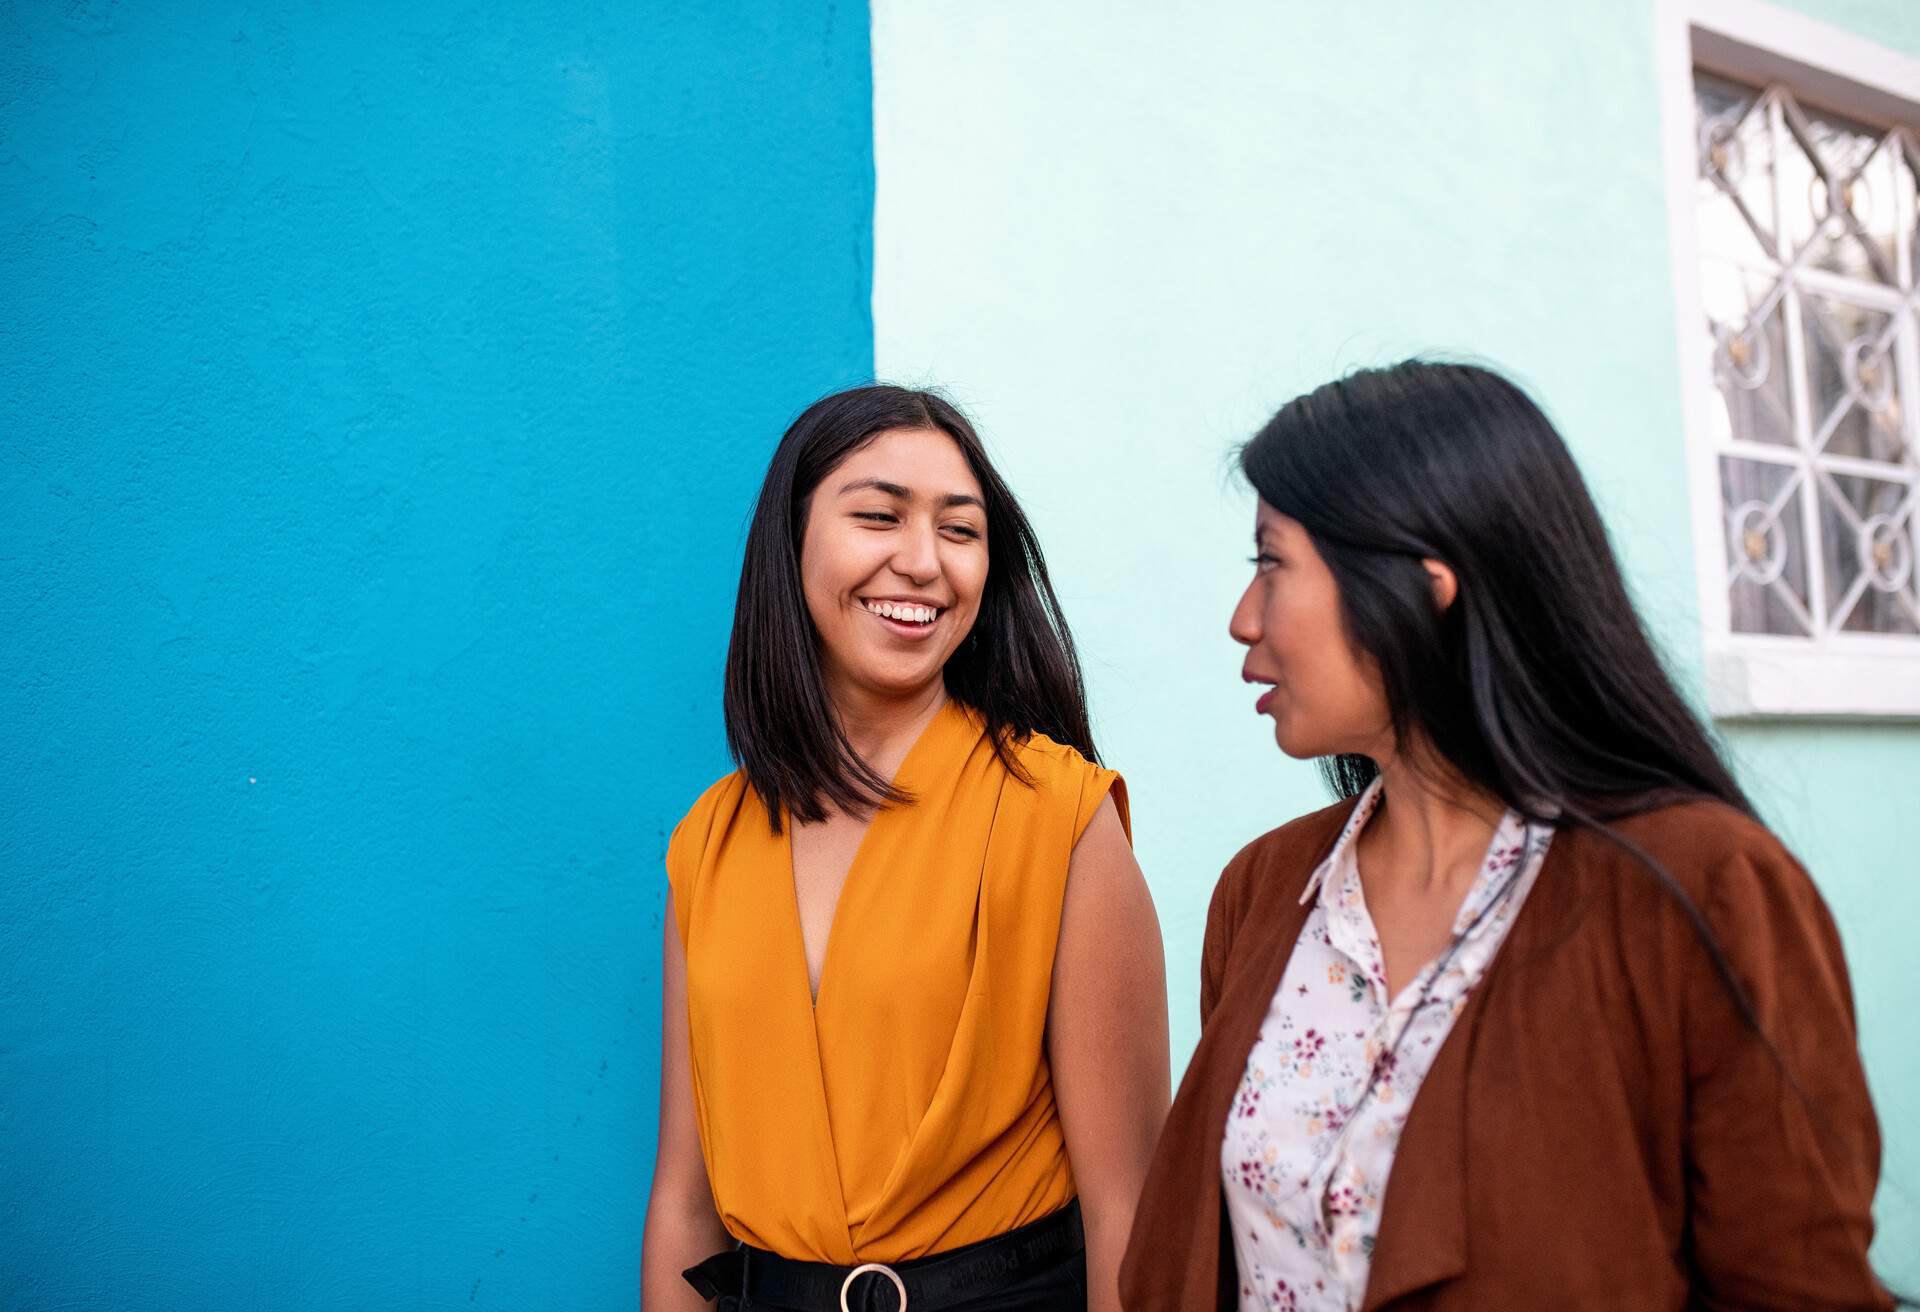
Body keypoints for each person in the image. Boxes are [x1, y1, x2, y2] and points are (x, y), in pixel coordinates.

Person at [1120, 361, 1892, 1311]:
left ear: (1423, 584)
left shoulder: (1700, 886)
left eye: (1271, 563)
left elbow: (1795, 1283)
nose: (1244, 620)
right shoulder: (1265, 889)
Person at [643, 385, 1169, 1312]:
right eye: (880, 516)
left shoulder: (1059, 817)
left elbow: (1130, 1208)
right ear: (791, 541)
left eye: (960, 531)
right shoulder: (709, 842)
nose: (924, 562)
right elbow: (686, 1204)